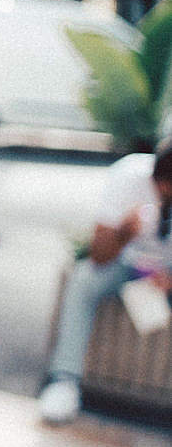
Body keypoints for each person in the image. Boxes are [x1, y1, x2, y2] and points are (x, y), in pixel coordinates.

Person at [39, 145, 172, 424]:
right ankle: (64, 382)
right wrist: (123, 232)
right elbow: (98, 256)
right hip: (126, 265)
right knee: (84, 279)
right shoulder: (128, 175)